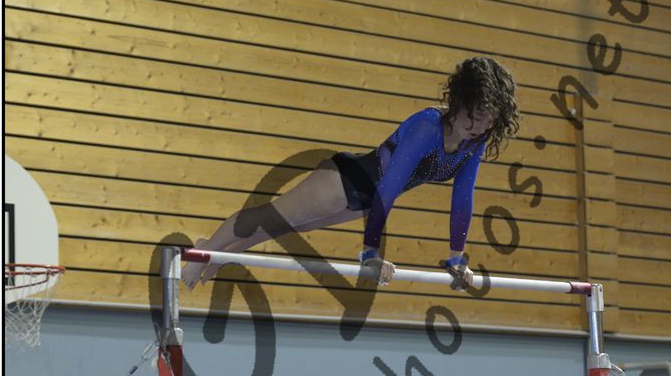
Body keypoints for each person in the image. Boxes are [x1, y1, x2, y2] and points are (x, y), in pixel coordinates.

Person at [181, 56, 519, 291]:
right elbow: (389, 188)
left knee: (281, 228)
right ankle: (205, 249)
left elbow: (462, 198)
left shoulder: (474, 143)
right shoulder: (428, 127)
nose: (477, 127)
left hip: (365, 201)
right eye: (474, 116)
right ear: (459, 101)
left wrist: (457, 259)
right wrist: (370, 254)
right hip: (345, 181)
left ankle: (223, 255)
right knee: (272, 216)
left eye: (487, 121)